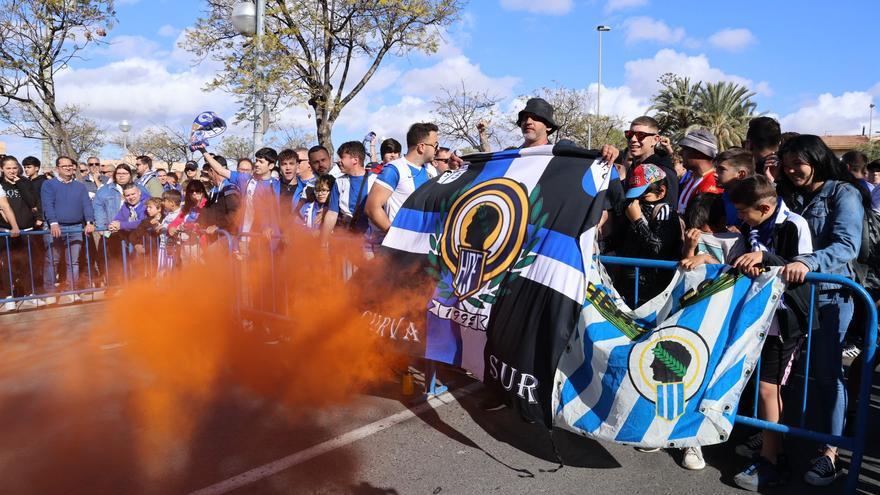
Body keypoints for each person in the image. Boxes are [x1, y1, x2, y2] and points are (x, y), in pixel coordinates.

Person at [775, 134, 868, 486]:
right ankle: (771, 435)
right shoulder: (789, 194)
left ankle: (831, 452)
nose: (792, 170)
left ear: (817, 158)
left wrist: (806, 262)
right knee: (782, 368)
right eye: (786, 164)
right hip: (791, 294)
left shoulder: (842, 193)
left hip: (831, 294)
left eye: (799, 162)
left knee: (829, 375)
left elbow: (846, 245)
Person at [728, 175, 815, 491]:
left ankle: (771, 461)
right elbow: (751, 258)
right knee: (760, 388)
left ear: (764, 206)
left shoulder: (795, 225)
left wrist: (765, 259)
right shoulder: (753, 226)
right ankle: (768, 446)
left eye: (743, 211)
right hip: (759, 314)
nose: (739, 217)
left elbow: (802, 269)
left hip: (786, 318)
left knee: (769, 389)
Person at [365, 122, 438, 249]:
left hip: (424, 248)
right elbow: (372, 208)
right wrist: (396, 237)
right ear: (421, 147)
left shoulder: (431, 170)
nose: (436, 149)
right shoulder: (394, 169)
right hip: (400, 251)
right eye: (435, 145)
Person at [617, 163, 682, 305]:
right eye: (634, 196)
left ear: (661, 192)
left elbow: (659, 249)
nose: (637, 202)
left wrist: (638, 221)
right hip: (627, 282)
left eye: (643, 196)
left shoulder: (664, 212)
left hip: (653, 288)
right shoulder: (629, 208)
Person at [40, 156, 95, 304]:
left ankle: (72, 290)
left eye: (71, 166)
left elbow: (86, 205)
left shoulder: (80, 186)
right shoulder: (49, 184)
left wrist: (89, 221)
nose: (69, 168)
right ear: (57, 168)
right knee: (52, 261)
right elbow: (48, 205)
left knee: (73, 262)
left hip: (76, 227)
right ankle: (50, 292)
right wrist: (53, 223)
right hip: (55, 228)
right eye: (64, 166)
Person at [201, 146, 280, 246]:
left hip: (268, 241)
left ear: (271, 166)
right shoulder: (246, 180)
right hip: (245, 238)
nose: (257, 164)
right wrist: (203, 150)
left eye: (261, 162)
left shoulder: (278, 186)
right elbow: (220, 170)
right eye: (256, 161)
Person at [600, 116, 679, 208]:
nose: (633, 139)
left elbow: (668, 213)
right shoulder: (634, 166)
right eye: (629, 134)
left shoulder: (664, 172)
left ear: (655, 139)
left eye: (641, 135)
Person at [320, 141, 376, 246]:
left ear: (355, 160)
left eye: (342, 157)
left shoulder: (376, 181)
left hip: (370, 242)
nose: (338, 161)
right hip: (345, 241)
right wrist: (323, 242)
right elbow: (332, 213)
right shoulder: (339, 182)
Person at [0, 156, 34, 309]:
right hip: (8, 231)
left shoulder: (24, 182)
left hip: (27, 229)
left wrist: (20, 183)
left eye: (14, 168)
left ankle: (29, 294)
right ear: (2, 169)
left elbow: (32, 202)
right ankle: (9, 296)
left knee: (27, 263)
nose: (12, 171)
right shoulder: (1, 185)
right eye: (8, 168)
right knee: (8, 264)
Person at [679, 193, 747, 270]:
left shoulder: (734, 240)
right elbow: (686, 270)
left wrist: (706, 259)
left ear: (722, 221)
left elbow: (732, 273)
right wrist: (689, 249)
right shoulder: (690, 236)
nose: (698, 232)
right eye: (696, 227)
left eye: (703, 229)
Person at [677, 128, 722, 214]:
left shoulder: (713, 183)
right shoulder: (692, 178)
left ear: (699, 153)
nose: (680, 153)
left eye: (685, 149)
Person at [713, 147, 756, 226]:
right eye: (716, 168)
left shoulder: (752, 205)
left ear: (741, 174)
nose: (714, 173)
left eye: (722, 169)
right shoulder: (721, 197)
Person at [169, 180, 208, 263]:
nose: (194, 193)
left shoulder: (208, 205)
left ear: (202, 191)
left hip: (200, 245)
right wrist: (171, 227)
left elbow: (204, 221)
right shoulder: (187, 207)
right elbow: (177, 220)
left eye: (197, 190)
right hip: (186, 245)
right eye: (191, 191)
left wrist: (190, 226)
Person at [201, 157, 241, 238]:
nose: (208, 175)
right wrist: (198, 222)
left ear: (212, 171)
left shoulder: (230, 188)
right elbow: (206, 210)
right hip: (214, 236)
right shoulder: (213, 190)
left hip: (228, 237)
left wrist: (218, 226)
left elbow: (234, 213)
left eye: (208, 171)